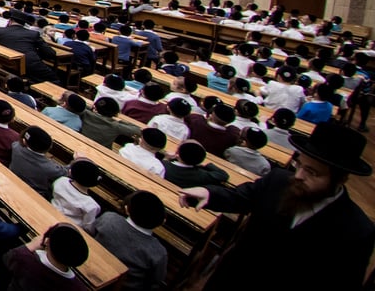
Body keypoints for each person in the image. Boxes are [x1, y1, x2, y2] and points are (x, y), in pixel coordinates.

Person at [179, 122, 375, 289]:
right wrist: (210, 193)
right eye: (299, 165)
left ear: (340, 179)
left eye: (312, 172)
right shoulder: (278, 179)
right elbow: (242, 197)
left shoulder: (357, 231)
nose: (298, 176)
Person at [92, 191, 168, 291]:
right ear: (163, 222)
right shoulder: (159, 252)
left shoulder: (108, 219)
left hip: (92, 269)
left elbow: (91, 233)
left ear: (127, 209)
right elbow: (156, 281)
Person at [2, 223, 90, 291]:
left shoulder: (23, 259)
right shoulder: (78, 288)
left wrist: (32, 245)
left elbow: (7, 258)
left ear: (47, 242)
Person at [0, 11, 59, 83]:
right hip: (29, 64)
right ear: (24, 23)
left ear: (10, 21)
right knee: (55, 80)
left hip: (6, 62)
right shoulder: (33, 34)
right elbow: (51, 53)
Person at [9, 126, 66, 199]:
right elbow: (65, 172)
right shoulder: (49, 167)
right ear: (49, 148)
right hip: (35, 195)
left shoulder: (16, 147)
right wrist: (78, 160)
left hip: (14, 182)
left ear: (24, 142)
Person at [50, 159, 102, 232]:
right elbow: (88, 226)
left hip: (51, 212)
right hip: (69, 229)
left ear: (71, 172)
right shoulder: (92, 205)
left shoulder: (61, 181)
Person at [162, 141, 228, 188]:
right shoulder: (202, 175)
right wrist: (206, 165)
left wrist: (166, 158)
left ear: (178, 153)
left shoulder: (164, 165)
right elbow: (223, 175)